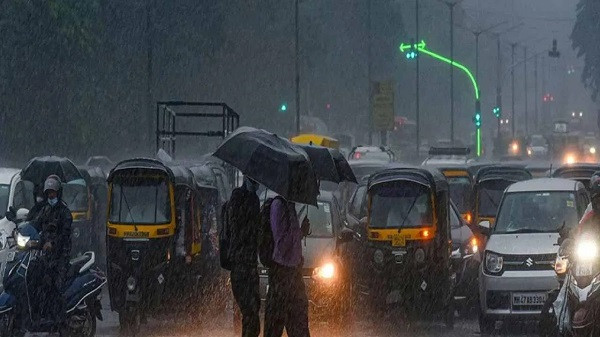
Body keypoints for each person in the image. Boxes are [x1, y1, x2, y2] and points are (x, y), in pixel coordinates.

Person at [264, 196, 311, 337]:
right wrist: (297, 232)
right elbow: (282, 245)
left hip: (294, 274)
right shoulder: (279, 206)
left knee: (300, 327)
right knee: (275, 326)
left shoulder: (290, 207)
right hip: (282, 274)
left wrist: (301, 232)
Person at [33, 175, 72, 323]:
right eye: (48, 192)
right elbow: (35, 224)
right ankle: (40, 315)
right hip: (46, 255)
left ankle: (61, 321)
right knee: (37, 280)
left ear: (58, 193)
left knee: (57, 287)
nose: (51, 195)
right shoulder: (45, 210)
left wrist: (52, 244)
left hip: (61, 256)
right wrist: (21, 228)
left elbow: (64, 234)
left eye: (53, 192)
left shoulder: (65, 212)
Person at [226, 177, 261, 337]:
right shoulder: (241, 198)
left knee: (251, 314)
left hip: (248, 264)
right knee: (249, 312)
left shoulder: (252, 200)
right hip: (241, 265)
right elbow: (242, 230)